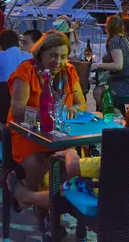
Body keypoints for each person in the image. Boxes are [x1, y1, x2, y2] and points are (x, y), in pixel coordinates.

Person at [5, 99, 129, 209]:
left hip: (119, 206)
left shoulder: (118, 154)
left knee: (69, 185)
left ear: (126, 126)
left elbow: (73, 167)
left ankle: (28, 196)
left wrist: (69, 152)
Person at [7, 31, 87, 190]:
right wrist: (45, 114)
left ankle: (57, 203)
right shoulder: (26, 70)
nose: (58, 61)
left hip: (61, 135)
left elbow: (82, 104)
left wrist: (73, 108)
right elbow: (17, 110)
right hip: (28, 133)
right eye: (53, 55)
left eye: (63, 56)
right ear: (41, 52)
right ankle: (35, 198)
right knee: (38, 165)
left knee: (74, 164)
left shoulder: (69, 71)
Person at [94, 15, 129, 107]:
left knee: (98, 91)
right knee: (108, 88)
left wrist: (99, 65)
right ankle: (118, 113)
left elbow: (118, 65)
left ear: (108, 27)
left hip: (128, 83)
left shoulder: (114, 42)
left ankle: (108, 116)